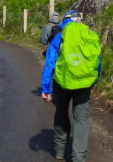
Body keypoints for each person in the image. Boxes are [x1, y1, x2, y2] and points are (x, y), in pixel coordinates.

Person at [41, 10, 101, 162]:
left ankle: (60, 150)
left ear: (65, 20)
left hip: (62, 82)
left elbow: (49, 63)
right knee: (81, 119)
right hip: (84, 83)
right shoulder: (89, 35)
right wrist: (93, 81)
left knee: (61, 112)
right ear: (79, 20)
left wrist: (45, 88)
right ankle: (78, 157)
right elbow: (97, 61)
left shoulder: (60, 36)